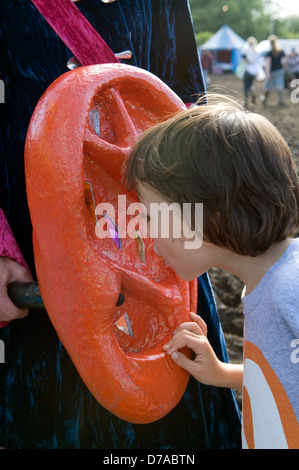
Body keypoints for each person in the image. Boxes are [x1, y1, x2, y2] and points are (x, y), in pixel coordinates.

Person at [0, 0, 241, 449]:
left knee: (177, 377)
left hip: (161, 228)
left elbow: (187, 101)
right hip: (34, 229)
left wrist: (202, 220)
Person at [125, 94, 299, 449]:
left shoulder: (289, 288)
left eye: (152, 216)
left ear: (209, 216)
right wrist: (222, 373)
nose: (146, 232)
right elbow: (286, 377)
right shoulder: (264, 285)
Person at [262, 35, 286, 105]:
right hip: (279, 71)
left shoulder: (269, 53)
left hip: (271, 72)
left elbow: (268, 64)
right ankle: (281, 101)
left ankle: (264, 100)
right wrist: (283, 69)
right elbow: (284, 62)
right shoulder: (281, 51)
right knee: (280, 86)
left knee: (268, 87)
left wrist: (267, 74)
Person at [241, 37, 260, 107]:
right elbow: (258, 62)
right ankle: (253, 95)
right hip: (254, 71)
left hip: (247, 70)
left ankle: (245, 102)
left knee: (246, 86)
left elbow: (243, 60)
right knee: (251, 85)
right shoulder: (257, 51)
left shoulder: (246, 50)